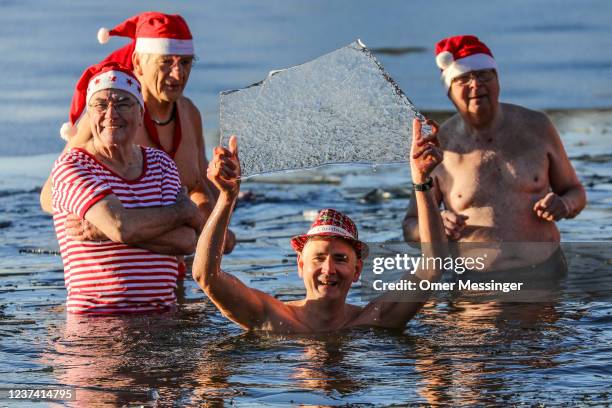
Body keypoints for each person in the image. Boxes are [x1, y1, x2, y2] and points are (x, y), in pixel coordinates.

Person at [191, 119, 446, 333]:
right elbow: (206, 276)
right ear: (300, 265)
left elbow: (432, 268)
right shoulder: (271, 318)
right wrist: (227, 198)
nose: (328, 269)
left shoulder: (373, 321)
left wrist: (421, 181)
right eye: (319, 258)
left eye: (340, 259)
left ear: (357, 270)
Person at [40, 12, 235, 267]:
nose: (178, 75)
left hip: (175, 267)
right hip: (116, 273)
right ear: (139, 63)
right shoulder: (108, 122)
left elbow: (197, 185)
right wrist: (110, 227)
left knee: (226, 242)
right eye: (166, 62)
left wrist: (222, 198)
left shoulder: (189, 114)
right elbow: (48, 196)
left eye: (186, 63)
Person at [402, 35, 586, 271]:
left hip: (545, 271)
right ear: (448, 91)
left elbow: (576, 191)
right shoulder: (439, 144)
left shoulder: (537, 127)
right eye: (463, 79)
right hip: (475, 286)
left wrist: (565, 205)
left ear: (498, 80)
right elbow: (410, 227)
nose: (476, 85)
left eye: (483, 75)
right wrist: (436, 223)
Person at [51, 61, 202, 314]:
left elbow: (187, 241)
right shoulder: (73, 166)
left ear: (140, 113)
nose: (111, 114)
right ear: (90, 114)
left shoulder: (161, 164)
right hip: (96, 325)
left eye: (122, 104)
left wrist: (106, 232)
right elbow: (121, 226)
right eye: (100, 105)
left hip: (163, 321)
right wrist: (181, 212)